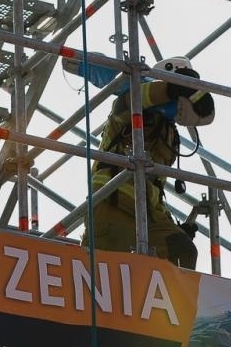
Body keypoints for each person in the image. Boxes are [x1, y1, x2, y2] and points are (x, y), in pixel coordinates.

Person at [86, 57, 213, 268]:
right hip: (113, 202)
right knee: (108, 271)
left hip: (148, 213)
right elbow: (140, 97)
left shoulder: (168, 132)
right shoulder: (129, 106)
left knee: (182, 250)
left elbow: (155, 187)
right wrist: (174, 87)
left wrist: (175, 228)